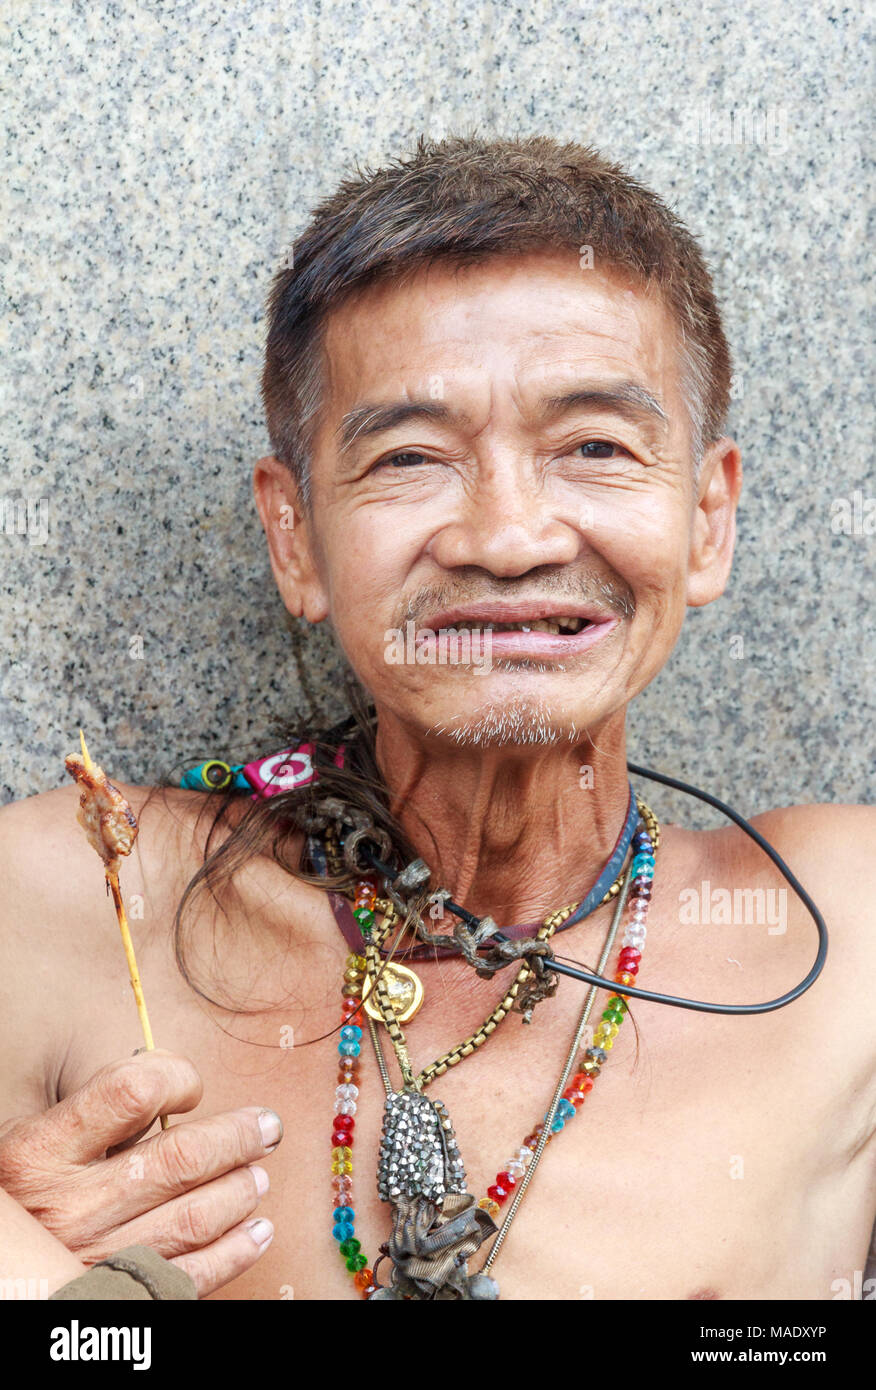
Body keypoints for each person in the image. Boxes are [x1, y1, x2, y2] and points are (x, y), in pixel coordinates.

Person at [1, 134, 873, 1301]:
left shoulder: (840, 942)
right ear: (295, 536)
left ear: (708, 518)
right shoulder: (81, 904)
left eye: (595, 448)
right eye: (411, 456)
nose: (510, 539)